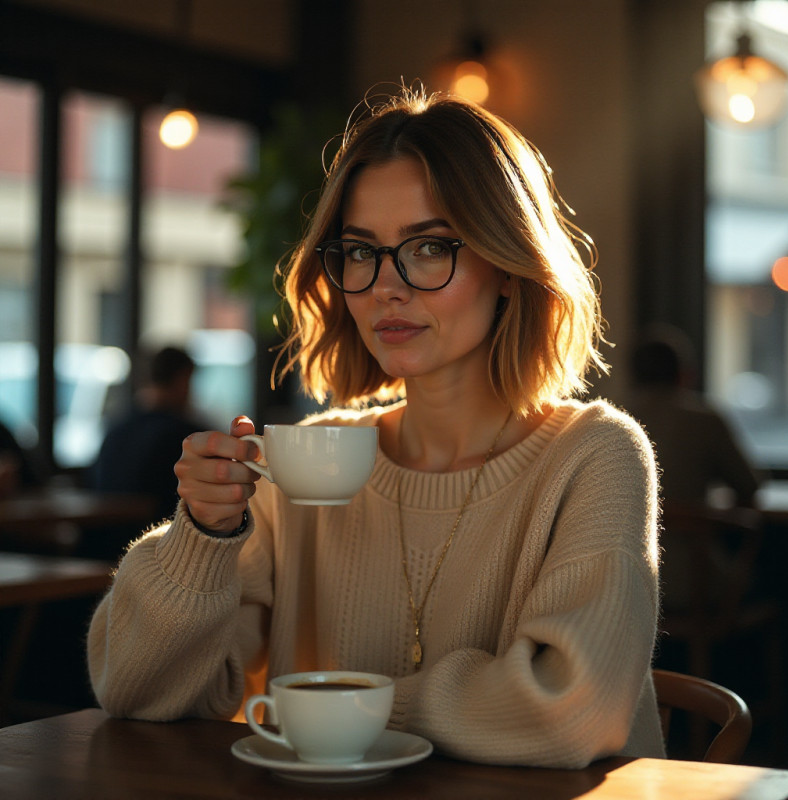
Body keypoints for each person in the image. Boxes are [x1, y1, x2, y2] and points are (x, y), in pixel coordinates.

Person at [87, 87, 664, 768]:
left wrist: (335, 710)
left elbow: (573, 711)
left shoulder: (592, 454)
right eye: (360, 252)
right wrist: (204, 535)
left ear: (507, 266)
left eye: (429, 247)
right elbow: (133, 691)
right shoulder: (306, 461)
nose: (387, 286)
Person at [88, 346, 205, 558]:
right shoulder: (187, 437)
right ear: (183, 379)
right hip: (160, 553)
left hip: (103, 548)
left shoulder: (115, 429)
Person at [627, 325, 762, 508]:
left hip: (623, 536)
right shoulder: (705, 420)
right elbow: (748, 485)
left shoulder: (614, 418)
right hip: (690, 535)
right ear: (684, 374)